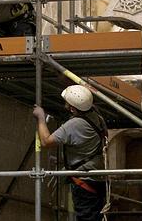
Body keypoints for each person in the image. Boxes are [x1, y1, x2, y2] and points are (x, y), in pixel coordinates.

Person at [33, 85, 108, 221]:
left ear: (73, 108)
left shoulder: (75, 124)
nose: (66, 105)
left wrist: (41, 118)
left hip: (84, 180)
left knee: (86, 218)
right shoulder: (97, 117)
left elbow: (45, 142)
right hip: (97, 177)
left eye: (67, 103)